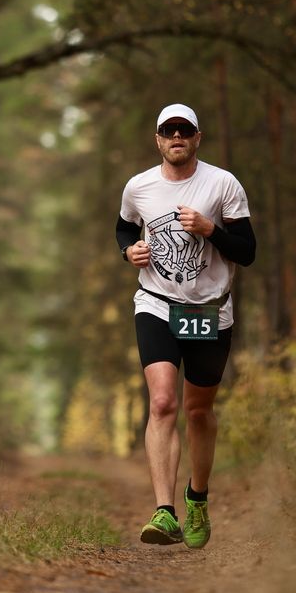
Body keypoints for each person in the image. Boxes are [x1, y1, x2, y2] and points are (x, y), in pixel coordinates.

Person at [116, 103, 256, 548]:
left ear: (197, 137)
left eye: (185, 130)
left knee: (197, 411)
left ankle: (197, 496)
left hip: (207, 309)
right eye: (168, 130)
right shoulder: (139, 186)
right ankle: (164, 511)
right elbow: (123, 228)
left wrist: (210, 229)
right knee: (162, 403)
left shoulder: (221, 183)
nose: (176, 136)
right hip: (155, 301)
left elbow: (248, 251)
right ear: (157, 139)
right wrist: (129, 252)